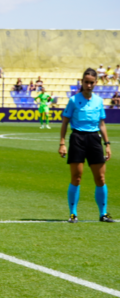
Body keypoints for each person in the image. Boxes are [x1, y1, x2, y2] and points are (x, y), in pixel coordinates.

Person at [60, 68, 113, 223]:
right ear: (82, 82)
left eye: (91, 82)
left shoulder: (99, 101)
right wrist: (62, 143)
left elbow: (101, 124)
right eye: (86, 82)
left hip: (94, 139)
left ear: (95, 83)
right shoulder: (73, 100)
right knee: (76, 177)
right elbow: (65, 122)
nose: (88, 85)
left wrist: (107, 144)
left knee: (100, 178)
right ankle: (73, 214)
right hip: (77, 138)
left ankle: (103, 214)